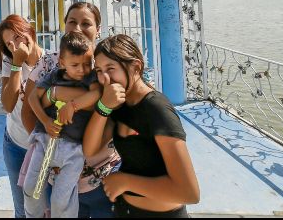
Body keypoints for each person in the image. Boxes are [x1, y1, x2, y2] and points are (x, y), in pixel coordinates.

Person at [84, 34, 200, 218]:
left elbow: (189, 192)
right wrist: (103, 107)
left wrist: (125, 182)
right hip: (125, 210)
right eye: (98, 70)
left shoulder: (156, 108)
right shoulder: (119, 104)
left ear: (136, 67)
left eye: (111, 68)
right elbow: (90, 150)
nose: (104, 78)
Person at [21, 2, 119, 217]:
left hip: (102, 171)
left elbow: (106, 98)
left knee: (67, 203)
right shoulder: (50, 65)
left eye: (86, 23)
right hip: (53, 153)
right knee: (38, 193)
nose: (77, 28)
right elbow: (30, 104)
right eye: (72, 21)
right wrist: (50, 112)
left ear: (98, 29)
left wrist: (69, 100)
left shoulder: (103, 65)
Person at [23, 31, 101, 218]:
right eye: (75, 65)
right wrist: (45, 121)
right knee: (32, 188)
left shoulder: (90, 79)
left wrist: (73, 106)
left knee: (61, 200)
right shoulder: (54, 75)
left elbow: (96, 95)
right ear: (62, 63)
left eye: (87, 64)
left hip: (73, 150)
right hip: (46, 142)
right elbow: (33, 98)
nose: (82, 69)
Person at [0, 14, 57, 218]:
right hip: (16, 144)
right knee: (23, 209)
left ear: (29, 31)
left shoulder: (52, 61)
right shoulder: (11, 61)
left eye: (17, 36)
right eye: (9, 43)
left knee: (48, 208)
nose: (16, 44)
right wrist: (16, 64)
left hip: (45, 149)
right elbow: (7, 104)